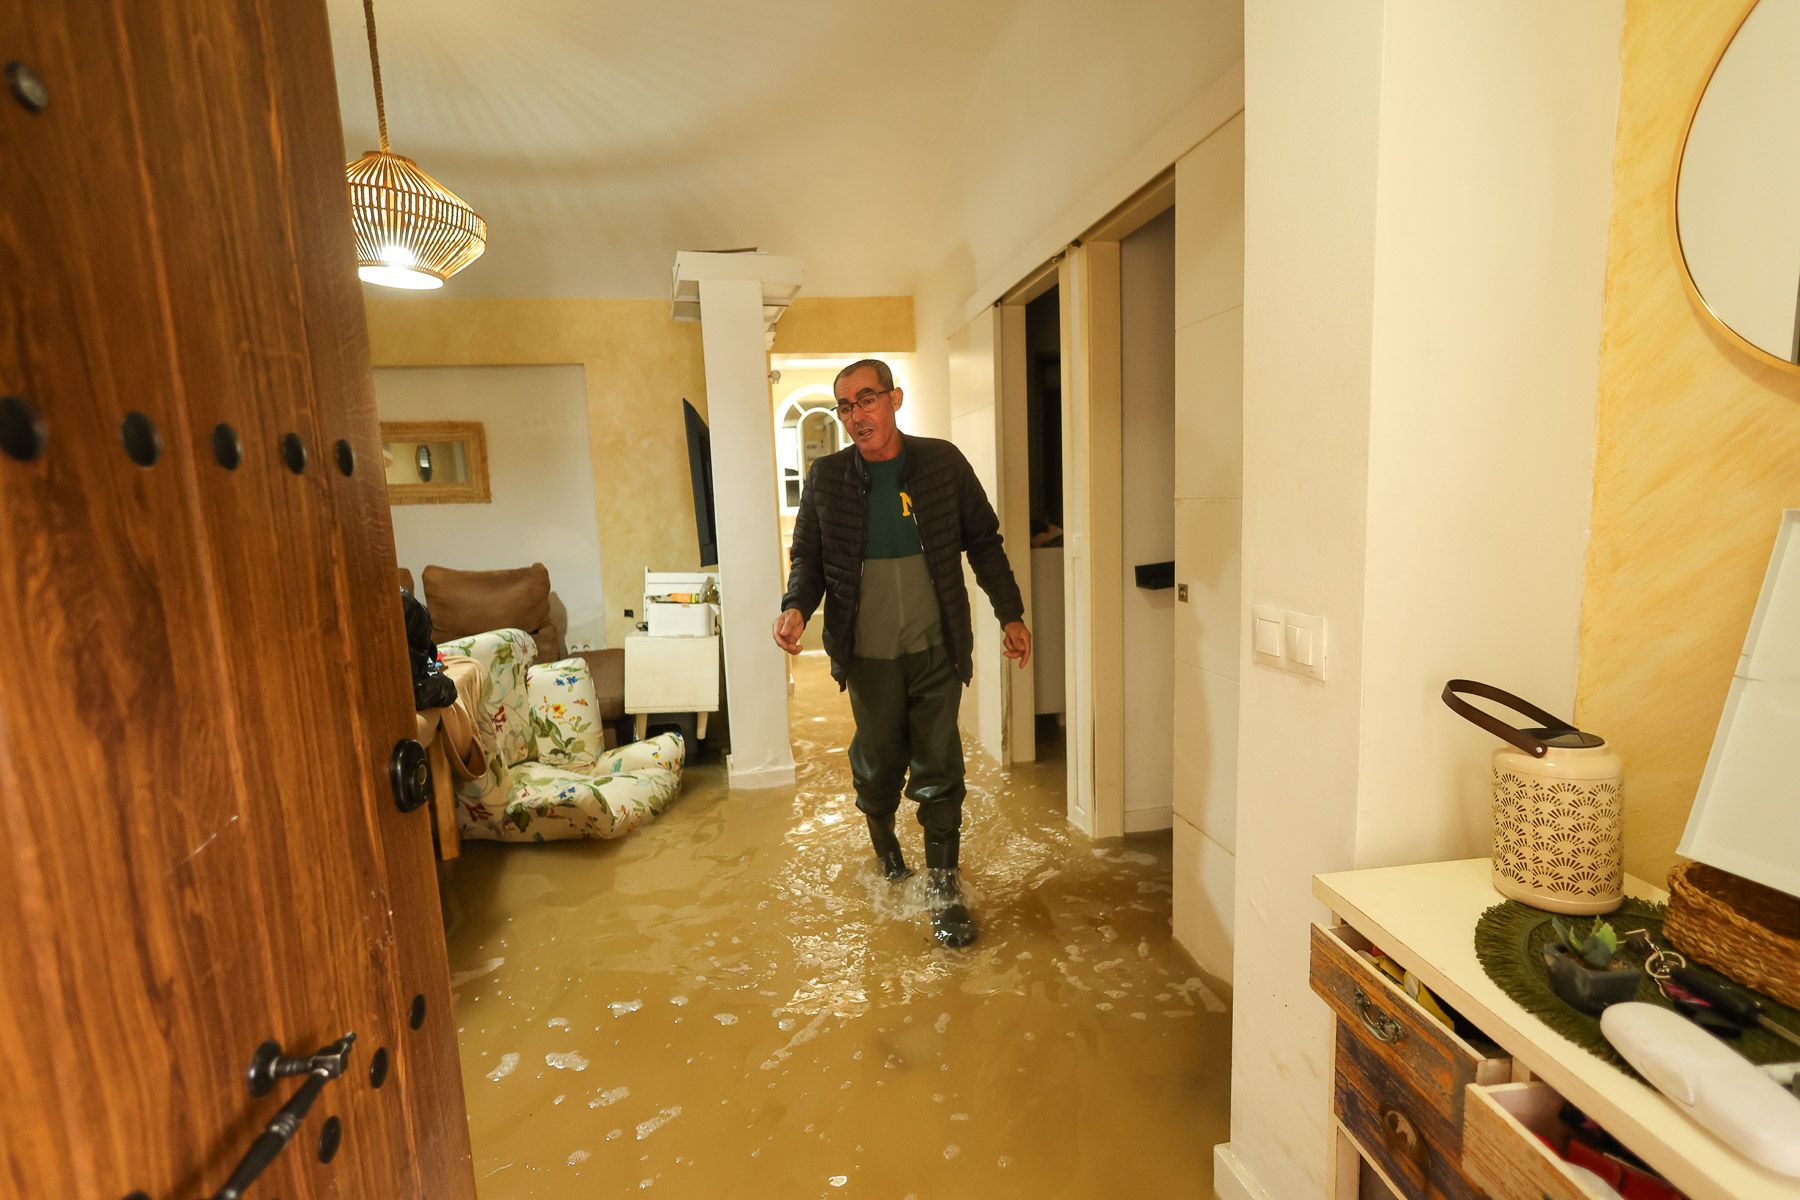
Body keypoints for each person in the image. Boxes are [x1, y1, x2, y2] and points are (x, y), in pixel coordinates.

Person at [772, 358, 1030, 948]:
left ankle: (943, 886)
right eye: (845, 406)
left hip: (937, 644)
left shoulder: (943, 464)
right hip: (867, 652)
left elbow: (984, 542)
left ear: (895, 399)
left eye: (866, 399)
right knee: (880, 758)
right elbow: (809, 557)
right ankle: (888, 857)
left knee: (940, 762)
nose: (855, 415)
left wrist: (1010, 613)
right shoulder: (827, 478)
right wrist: (796, 606)